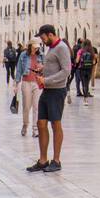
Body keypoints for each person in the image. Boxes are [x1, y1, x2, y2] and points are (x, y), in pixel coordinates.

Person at [28, 25, 71, 173]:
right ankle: (43, 160)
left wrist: (46, 80)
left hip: (57, 91)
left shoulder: (62, 48)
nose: (42, 40)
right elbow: (54, 66)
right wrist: (42, 69)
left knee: (55, 124)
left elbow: (66, 71)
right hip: (46, 91)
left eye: (43, 37)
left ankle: (56, 160)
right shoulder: (51, 48)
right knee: (41, 123)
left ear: (51, 34)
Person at [16, 41, 44, 137]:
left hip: (37, 83)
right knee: (26, 106)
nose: (36, 49)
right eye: (34, 47)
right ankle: (25, 125)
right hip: (26, 82)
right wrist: (16, 83)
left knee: (37, 106)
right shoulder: (23, 55)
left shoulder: (41, 55)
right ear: (30, 46)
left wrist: (42, 67)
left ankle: (35, 129)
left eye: (37, 47)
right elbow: (19, 69)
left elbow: (46, 68)